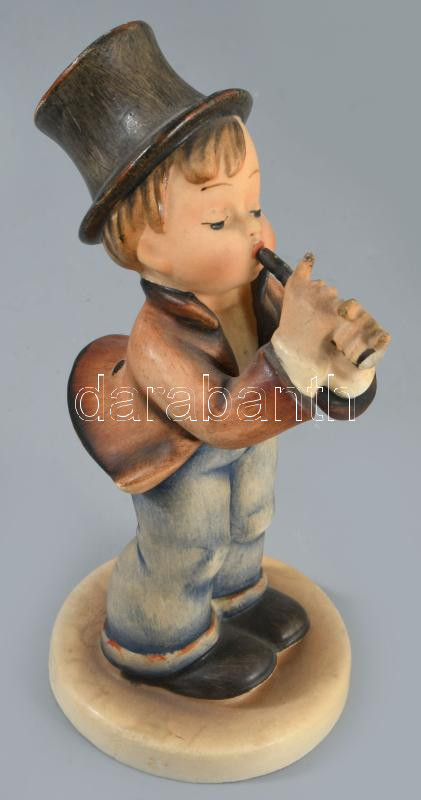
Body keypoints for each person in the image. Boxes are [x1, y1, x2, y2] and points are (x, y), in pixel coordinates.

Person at [35, 21, 390, 699]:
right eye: (220, 221)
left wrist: (347, 365)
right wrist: (295, 350)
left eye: (255, 205)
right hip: (184, 458)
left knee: (250, 514)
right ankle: (158, 640)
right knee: (189, 542)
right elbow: (222, 421)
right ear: (149, 250)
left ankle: (237, 595)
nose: (255, 232)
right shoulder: (155, 340)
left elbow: (309, 383)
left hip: (256, 433)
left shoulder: (266, 292)